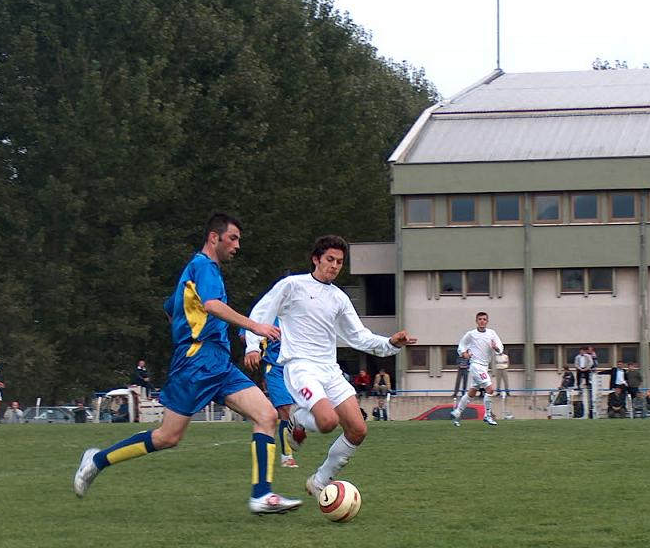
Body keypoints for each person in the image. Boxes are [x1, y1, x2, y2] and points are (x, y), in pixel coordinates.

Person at [73, 212, 301, 515]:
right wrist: (254, 327)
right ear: (213, 237)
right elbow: (211, 306)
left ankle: (261, 495)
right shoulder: (203, 265)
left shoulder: (200, 271)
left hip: (218, 363)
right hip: (196, 363)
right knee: (168, 437)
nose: (237, 245)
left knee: (267, 416)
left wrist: (187, 329)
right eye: (232, 238)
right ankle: (96, 459)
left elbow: (172, 307)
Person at [247, 234, 414, 498]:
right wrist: (252, 345)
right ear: (316, 259)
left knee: (358, 430)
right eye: (330, 260)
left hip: (330, 371)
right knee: (327, 422)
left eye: (339, 261)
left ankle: (320, 480)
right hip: (301, 367)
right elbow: (261, 312)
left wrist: (391, 343)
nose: (335, 266)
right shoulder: (292, 285)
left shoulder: (339, 297)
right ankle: (295, 418)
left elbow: (358, 335)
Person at [243, 318, 305, 468]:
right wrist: (256, 345)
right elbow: (244, 332)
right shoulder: (265, 314)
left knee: (298, 411)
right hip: (274, 369)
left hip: (295, 368)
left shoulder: (297, 314)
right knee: (285, 410)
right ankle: (287, 456)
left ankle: (298, 428)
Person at [450, 311, 503, 427]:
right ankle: (487, 415)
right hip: (475, 366)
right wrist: (464, 354)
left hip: (484, 366)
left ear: (487, 321)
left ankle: (457, 412)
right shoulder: (471, 334)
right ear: (476, 321)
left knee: (472, 392)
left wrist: (496, 348)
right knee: (490, 390)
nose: (482, 321)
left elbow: (500, 347)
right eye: (480, 319)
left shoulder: (492, 333)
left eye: (484, 319)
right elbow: (461, 345)